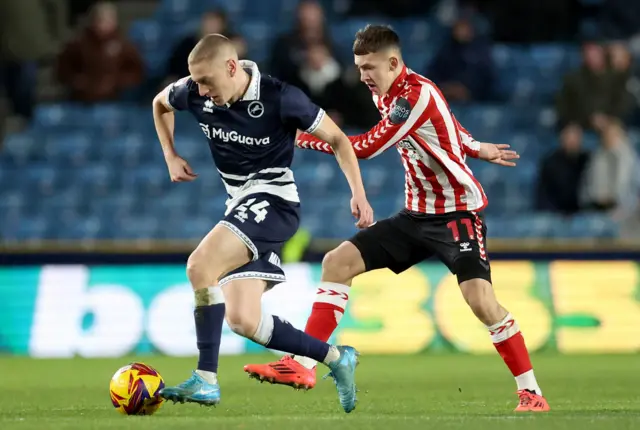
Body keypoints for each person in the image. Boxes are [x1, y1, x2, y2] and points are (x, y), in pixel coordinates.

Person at [243, 24, 550, 413]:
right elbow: (449, 127)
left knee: (480, 301)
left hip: (456, 213)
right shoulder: (385, 94)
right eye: (358, 67)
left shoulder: (412, 96)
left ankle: (531, 392)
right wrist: (476, 148)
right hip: (415, 214)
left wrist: (301, 138)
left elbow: (366, 147)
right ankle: (303, 364)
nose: (362, 76)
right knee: (336, 263)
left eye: (369, 67)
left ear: (393, 62)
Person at [151, 34, 374, 413]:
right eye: (197, 83)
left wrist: (359, 193)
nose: (202, 92)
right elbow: (159, 103)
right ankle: (336, 358)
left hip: (274, 200)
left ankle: (205, 379)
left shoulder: (280, 97)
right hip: (239, 205)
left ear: (232, 67)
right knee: (243, 319)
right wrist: (170, 155)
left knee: (199, 266)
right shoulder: (193, 90)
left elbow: (339, 139)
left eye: (208, 82)